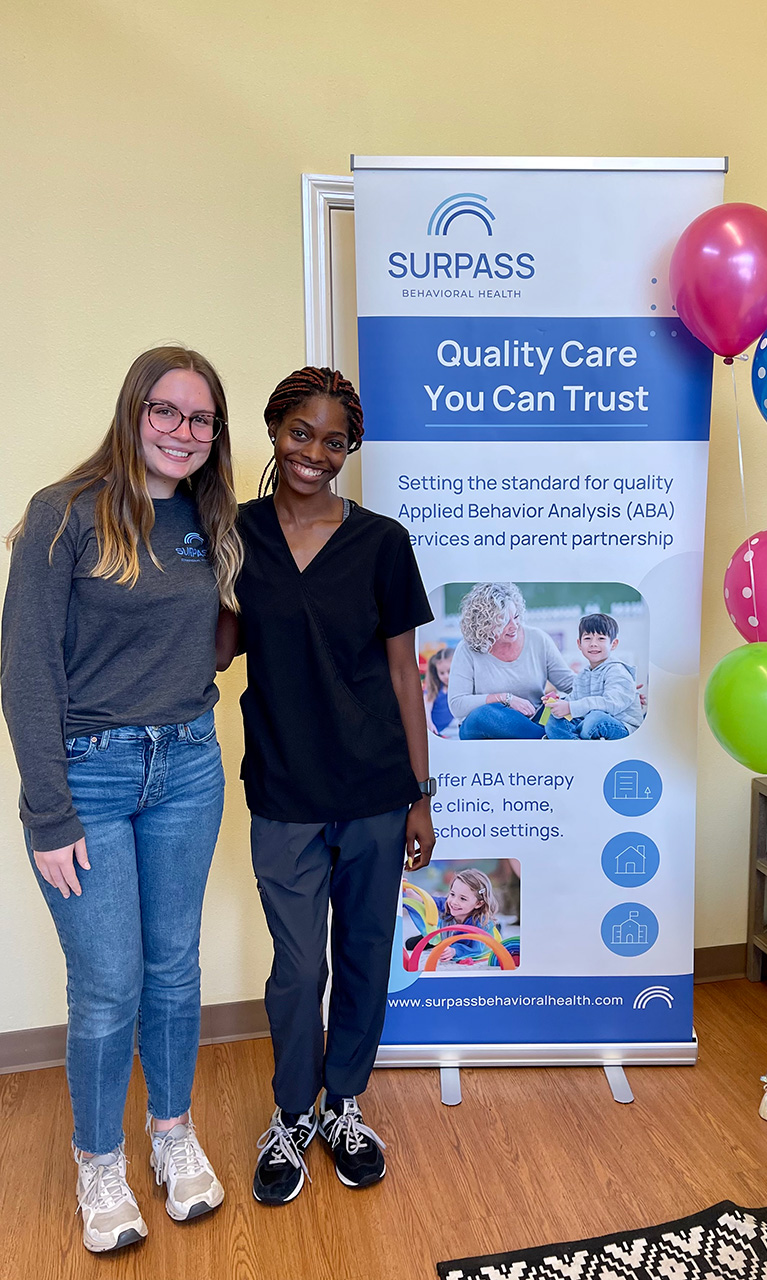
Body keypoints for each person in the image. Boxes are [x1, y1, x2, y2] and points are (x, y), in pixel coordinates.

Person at [1, 346, 242, 1253]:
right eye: (167, 412)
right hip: (88, 777)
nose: (184, 432)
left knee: (174, 968)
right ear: (133, 411)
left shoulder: (211, 521)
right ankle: (98, 1160)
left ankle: (171, 1135)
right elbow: (24, 673)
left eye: (202, 419)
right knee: (109, 985)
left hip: (186, 766)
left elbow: (215, 643)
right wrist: (49, 813)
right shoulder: (64, 516)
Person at [216, 366, 436, 1208]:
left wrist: (421, 793)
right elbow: (219, 647)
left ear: (351, 449)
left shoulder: (382, 541)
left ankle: (344, 1105)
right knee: (298, 966)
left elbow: (406, 677)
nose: (315, 451)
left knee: (365, 953)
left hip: (377, 790)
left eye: (334, 439)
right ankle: (290, 1113)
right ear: (274, 431)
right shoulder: (235, 534)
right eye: (300, 433)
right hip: (282, 790)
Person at [448, 582, 574, 739]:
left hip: (535, 719)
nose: (514, 626)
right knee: (484, 714)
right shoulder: (467, 649)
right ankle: (544, 738)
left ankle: (545, 736)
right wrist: (506, 698)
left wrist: (601, 679)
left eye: (516, 617)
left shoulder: (537, 639)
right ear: (484, 624)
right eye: (504, 621)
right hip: (485, 726)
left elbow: (570, 684)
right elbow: (457, 705)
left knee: (562, 705)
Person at [544, 613, 644, 741]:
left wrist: (570, 707)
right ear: (579, 644)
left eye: (601, 639)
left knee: (595, 718)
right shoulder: (583, 675)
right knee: (553, 719)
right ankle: (575, 747)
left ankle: (580, 743)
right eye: (587, 638)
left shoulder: (618, 671)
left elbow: (611, 703)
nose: (593, 644)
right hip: (587, 724)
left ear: (613, 644)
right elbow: (575, 699)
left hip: (621, 726)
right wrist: (560, 703)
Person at [432, 869, 501, 964]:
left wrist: (454, 951)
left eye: (463, 899)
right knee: (412, 943)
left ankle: (498, 927)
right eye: (452, 894)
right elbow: (431, 903)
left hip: (473, 941)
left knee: (489, 928)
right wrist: (413, 894)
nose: (454, 902)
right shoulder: (449, 904)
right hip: (451, 936)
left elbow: (475, 949)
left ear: (478, 903)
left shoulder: (479, 923)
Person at [423, 646, 458, 737]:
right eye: (442, 673)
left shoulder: (459, 689)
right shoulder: (434, 689)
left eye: (449, 671)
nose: (446, 676)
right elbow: (426, 707)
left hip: (443, 731)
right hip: (432, 730)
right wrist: (428, 723)